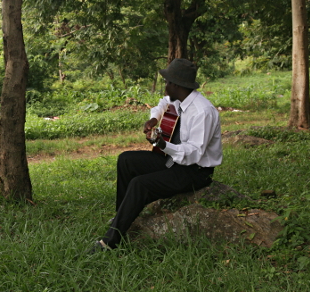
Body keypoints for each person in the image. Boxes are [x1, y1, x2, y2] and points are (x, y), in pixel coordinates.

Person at [90, 58, 222, 253]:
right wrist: (153, 118)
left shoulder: (203, 112)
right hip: (173, 160)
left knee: (140, 184)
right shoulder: (179, 99)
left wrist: (163, 145)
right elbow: (163, 104)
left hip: (195, 171)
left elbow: (194, 153)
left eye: (167, 81)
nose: (165, 85)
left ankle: (109, 242)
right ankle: (122, 216)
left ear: (176, 85)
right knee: (126, 160)